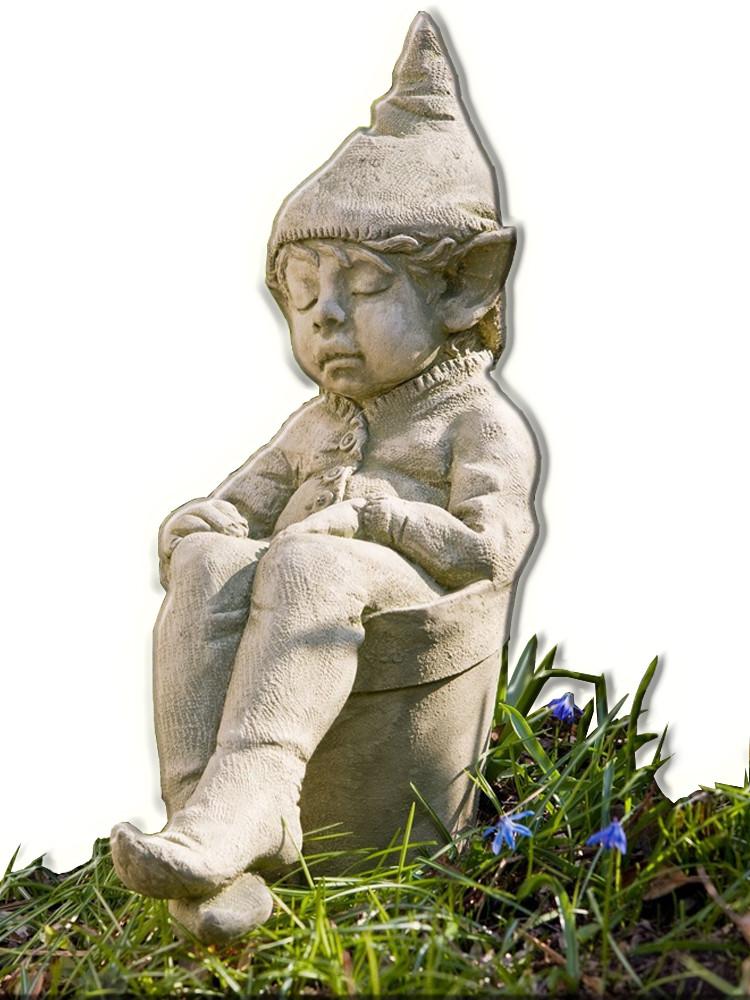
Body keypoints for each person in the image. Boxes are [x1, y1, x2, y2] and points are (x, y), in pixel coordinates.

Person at [110, 12, 538, 939]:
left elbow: (490, 550)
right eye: (304, 297)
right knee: (210, 566)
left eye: (366, 288)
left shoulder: (476, 422)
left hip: (405, 622)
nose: (326, 319)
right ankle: (210, 842)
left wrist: (380, 517)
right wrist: (207, 519)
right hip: (310, 607)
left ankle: (260, 801)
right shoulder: (317, 423)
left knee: (314, 564)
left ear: (463, 288)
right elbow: (246, 499)